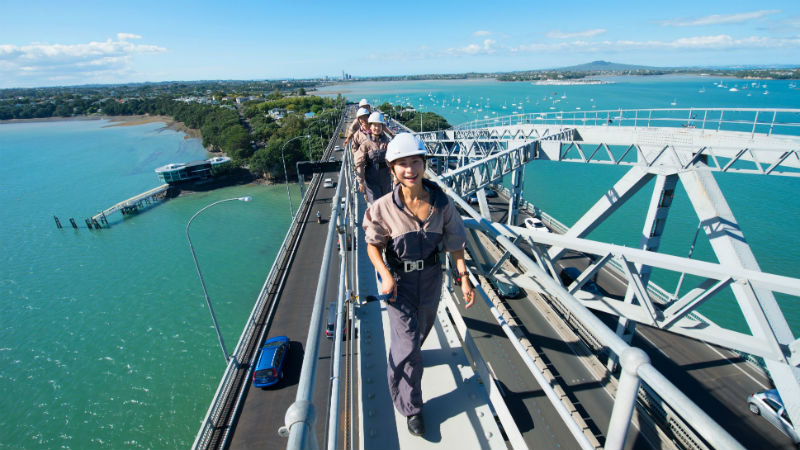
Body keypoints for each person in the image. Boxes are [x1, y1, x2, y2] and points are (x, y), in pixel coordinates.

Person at [362, 133, 475, 437]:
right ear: (392, 169)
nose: (410, 169)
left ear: (424, 164)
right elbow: (373, 245)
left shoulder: (441, 204)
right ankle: (412, 408)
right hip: (399, 284)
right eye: (402, 164)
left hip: (432, 280)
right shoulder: (383, 208)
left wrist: (464, 279)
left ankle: (402, 360)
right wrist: (385, 274)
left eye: (415, 162)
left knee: (419, 334)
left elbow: (455, 243)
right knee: (409, 346)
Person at [353, 112, 393, 204]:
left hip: (386, 178)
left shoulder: (387, 142)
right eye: (374, 125)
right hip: (371, 178)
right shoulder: (366, 144)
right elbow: (359, 164)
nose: (377, 128)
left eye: (379, 125)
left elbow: (394, 161)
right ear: (370, 127)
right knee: (376, 204)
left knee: (387, 203)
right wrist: (361, 182)